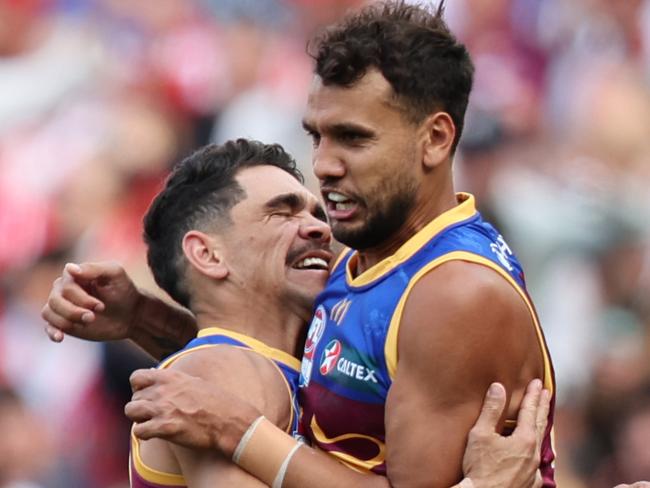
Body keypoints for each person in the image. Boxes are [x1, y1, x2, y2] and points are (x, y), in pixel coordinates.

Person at [43, 2, 557, 487]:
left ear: (437, 139)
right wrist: (143, 320)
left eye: (353, 138)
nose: (324, 166)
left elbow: (241, 396)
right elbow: (276, 367)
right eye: (318, 136)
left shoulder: (451, 294)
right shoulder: (364, 259)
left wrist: (240, 432)